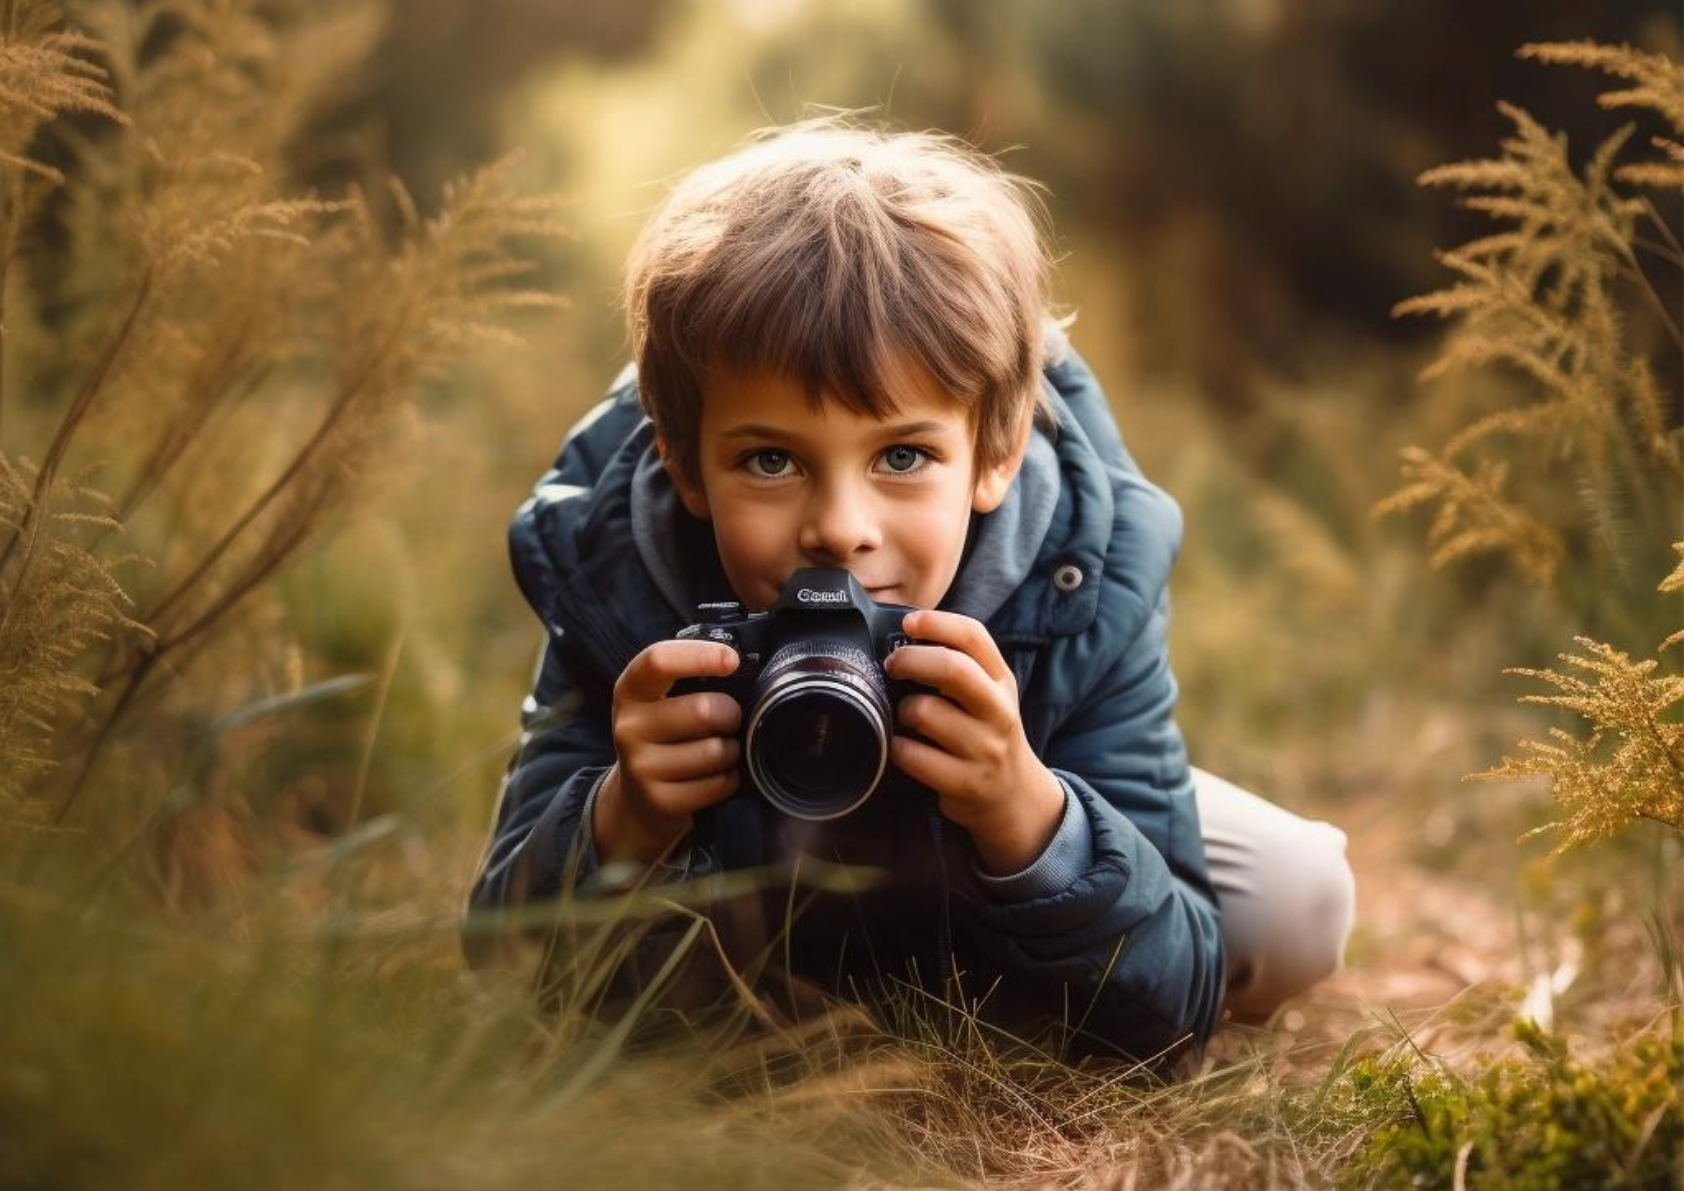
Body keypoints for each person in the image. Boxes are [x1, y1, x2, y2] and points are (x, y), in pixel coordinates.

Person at [463, 119, 1355, 1063]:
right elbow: (502, 961)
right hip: (756, 890)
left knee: (1299, 900)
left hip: (999, 837)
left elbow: (1175, 1006)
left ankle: (959, 949)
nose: (839, 527)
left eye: (902, 455)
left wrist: (1023, 812)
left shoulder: (1079, 569)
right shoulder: (619, 575)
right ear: (685, 466)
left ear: (995, 456)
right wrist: (623, 820)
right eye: (770, 459)